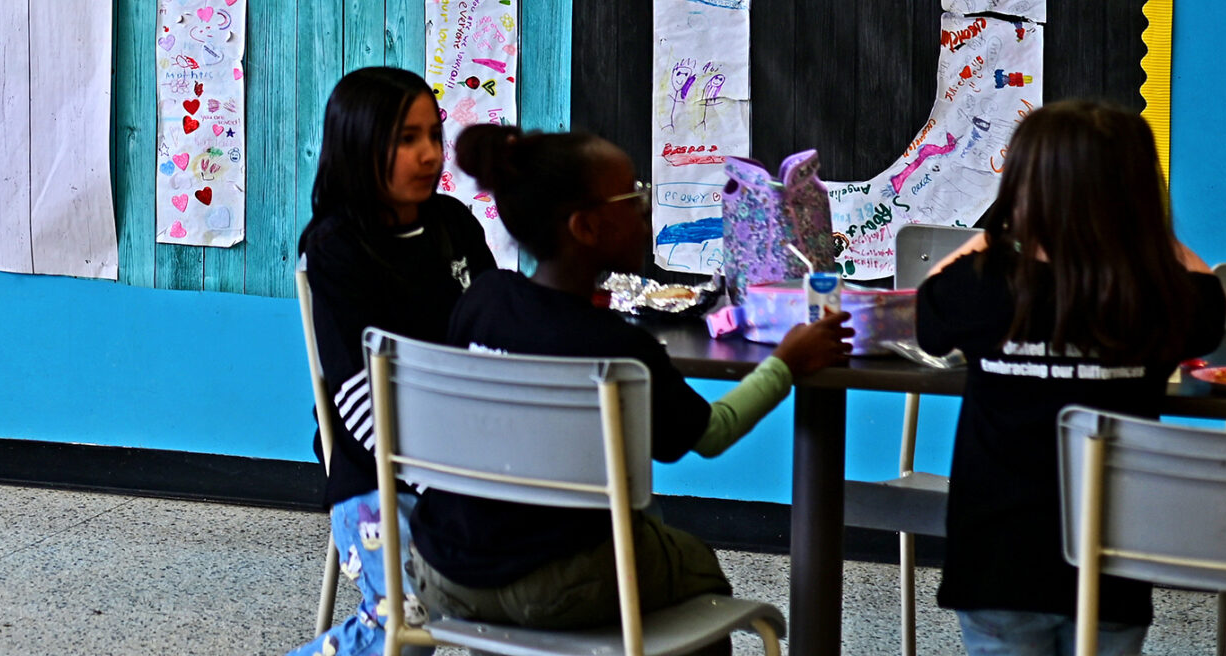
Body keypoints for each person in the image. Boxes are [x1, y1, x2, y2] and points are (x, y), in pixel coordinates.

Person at [405, 125, 852, 635]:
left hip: (444, 571)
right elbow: (711, 433)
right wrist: (787, 364)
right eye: (633, 196)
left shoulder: (482, 300)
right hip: (562, 584)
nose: (646, 209)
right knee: (698, 570)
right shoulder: (618, 347)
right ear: (586, 228)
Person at [917, 101, 1226, 656]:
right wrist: (1146, 239)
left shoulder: (981, 282)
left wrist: (995, 235)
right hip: (1114, 556)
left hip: (996, 559)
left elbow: (929, 319)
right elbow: (1207, 306)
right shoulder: (1163, 294)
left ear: (1021, 184)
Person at [291, 67, 497, 656]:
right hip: (374, 469)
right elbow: (354, 396)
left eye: (434, 135)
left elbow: (494, 333)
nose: (430, 154)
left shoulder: (454, 225)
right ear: (359, 144)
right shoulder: (335, 248)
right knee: (403, 632)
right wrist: (432, 474)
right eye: (408, 139)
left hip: (468, 459)